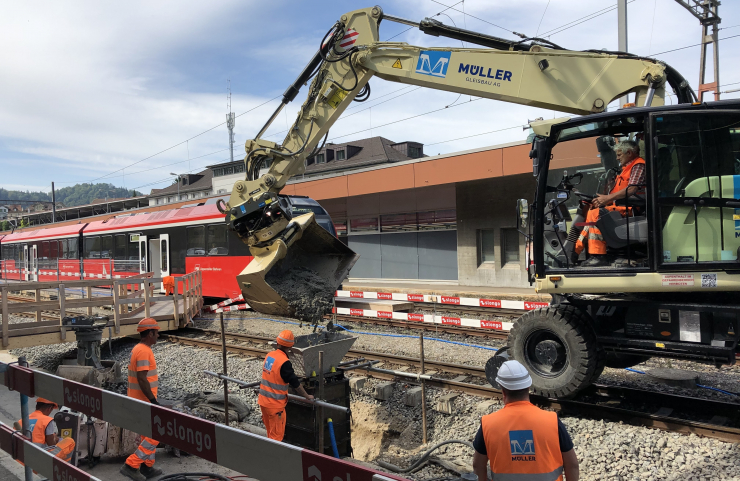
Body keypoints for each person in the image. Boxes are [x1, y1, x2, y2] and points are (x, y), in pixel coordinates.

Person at [472, 360, 579, 481]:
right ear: (528, 386)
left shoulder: (488, 424)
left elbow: (478, 466)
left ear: (503, 390)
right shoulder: (552, 421)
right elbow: (572, 465)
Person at [574, 139, 646, 267]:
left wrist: (607, 199)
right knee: (591, 209)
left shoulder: (638, 165)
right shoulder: (626, 168)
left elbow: (632, 189)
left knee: (596, 215)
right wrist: (604, 199)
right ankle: (576, 250)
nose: (617, 158)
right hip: (621, 205)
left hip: (631, 208)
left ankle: (598, 256)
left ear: (629, 153)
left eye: (619, 155)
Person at [120, 318, 164, 481]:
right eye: (156, 333)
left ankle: (148, 467)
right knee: (156, 434)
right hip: (143, 402)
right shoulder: (144, 351)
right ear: (150, 333)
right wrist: (153, 401)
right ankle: (131, 465)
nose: (158, 336)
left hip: (137, 400)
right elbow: (142, 378)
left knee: (147, 435)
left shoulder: (137, 349)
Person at [258, 330, 315, 441]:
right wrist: (307, 396)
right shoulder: (284, 362)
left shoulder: (269, 356)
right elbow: (295, 383)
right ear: (291, 347)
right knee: (276, 438)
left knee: (270, 434)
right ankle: (273, 458)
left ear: (278, 343)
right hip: (275, 407)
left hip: (263, 402)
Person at [16, 398, 75, 463]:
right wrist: (54, 438)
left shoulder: (21, 421)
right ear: (49, 408)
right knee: (69, 441)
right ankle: (65, 468)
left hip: (21, 458)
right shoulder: (47, 420)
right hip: (38, 459)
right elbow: (51, 444)